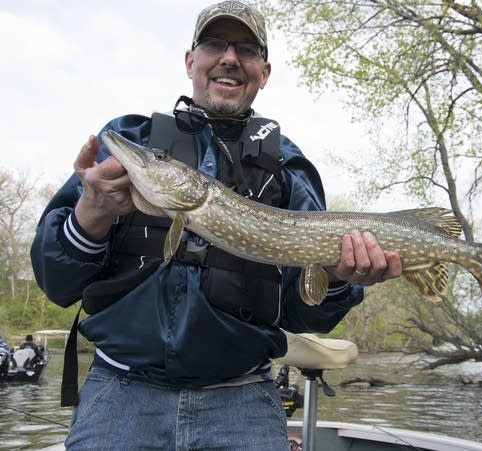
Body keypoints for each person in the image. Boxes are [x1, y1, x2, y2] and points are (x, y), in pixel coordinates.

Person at [30, 2, 403, 449]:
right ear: (191, 60)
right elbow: (57, 284)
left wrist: (341, 280)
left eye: (245, 49)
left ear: (264, 72)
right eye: (214, 44)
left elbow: (307, 312)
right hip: (120, 396)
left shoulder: (287, 169)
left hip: (241, 402)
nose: (229, 58)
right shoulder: (135, 139)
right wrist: (90, 211)